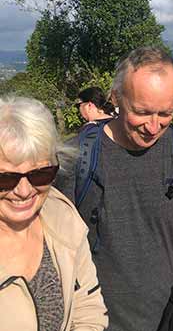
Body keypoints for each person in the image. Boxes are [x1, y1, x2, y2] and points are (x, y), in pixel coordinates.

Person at [56, 46, 173, 331]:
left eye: (166, 113)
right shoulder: (77, 157)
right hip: (95, 322)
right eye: (141, 112)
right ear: (116, 98)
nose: (153, 127)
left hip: (171, 320)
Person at [0, 96, 108, 331]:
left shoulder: (62, 215)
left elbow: (88, 308)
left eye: (40, 174)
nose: (24, 191)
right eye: (5, 179)